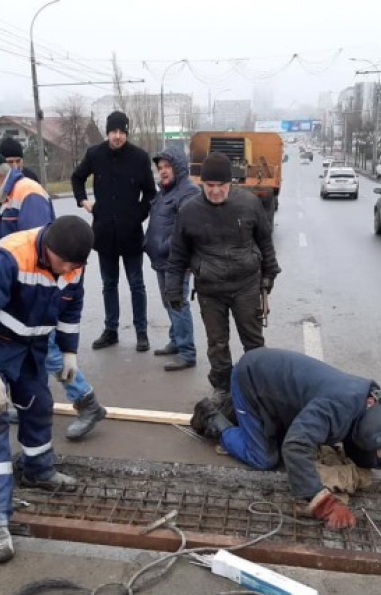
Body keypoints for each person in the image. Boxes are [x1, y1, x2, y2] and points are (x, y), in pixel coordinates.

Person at [0, 215, 95, 563]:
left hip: (31, 340)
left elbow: (70, 308)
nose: (67, 271)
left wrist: (68, 350)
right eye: (63, 263)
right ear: (48, 247)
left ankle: (38, 469)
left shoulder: (73, 263)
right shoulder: (9, 256)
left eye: (74, 266)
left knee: (37, 403)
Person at [190, 348, 381, 530]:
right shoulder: (337, 407)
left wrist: (378, 455)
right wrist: (324, 503)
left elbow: (357, 444)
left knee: (281, 437)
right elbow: (295, 445)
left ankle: (238, 413)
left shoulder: (366, 402)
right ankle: (213, 419)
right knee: (263, 457)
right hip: (251, 379)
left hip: (278, 391)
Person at [0, 144, 107, 440]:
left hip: (37, 291)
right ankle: (30, 402)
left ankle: (87, 403)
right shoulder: (8, 195)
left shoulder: (27, 194)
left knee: (49, 350)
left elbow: (44, 251)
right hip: (22, 290)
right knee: (39, 354)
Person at [165, 151, 280, 393]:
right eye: (210, 185)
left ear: (231, 183)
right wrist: (173, 290)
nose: (215, 191)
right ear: (201, 183)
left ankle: (259, 389)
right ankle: (222, 390)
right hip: (210, 291)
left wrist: (269, 273)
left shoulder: (249, 204)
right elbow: (177, 255)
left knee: (254, 343)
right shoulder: (189, 211)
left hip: (246, 287)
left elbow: (265, 241)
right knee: (217, 345)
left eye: (221, 185)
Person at [71, 111, 157, 352]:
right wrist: (83, 202)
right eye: (113, 131)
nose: (117, 136)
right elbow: (77, 178)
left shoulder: (139, 157)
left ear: (126, 133)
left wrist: (137, 216)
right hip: (104, 232)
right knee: (109, 284)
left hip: (131, 234)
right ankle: (111, 330)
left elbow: (150, 193)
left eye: (122, 132)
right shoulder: (95, 154)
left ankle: (141, 332)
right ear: (107, 132)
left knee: (136, 284)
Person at [143, 146, 200, 371]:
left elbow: (184, 229)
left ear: (178, 167)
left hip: (176, 261)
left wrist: (166, 247)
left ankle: (187, 352)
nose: (163, 172)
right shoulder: (165, 192)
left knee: (178, 304)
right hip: (161, 259)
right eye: (160, 168)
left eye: (167, 167)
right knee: (170, 302)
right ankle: (176, 341)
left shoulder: (188, 192)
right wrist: (148, 243)